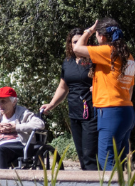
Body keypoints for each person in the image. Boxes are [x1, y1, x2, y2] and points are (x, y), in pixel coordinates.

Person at [73, 18, 135, 171]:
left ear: (101, 36)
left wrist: (89, 30)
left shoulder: (108, 51)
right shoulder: (128, 55)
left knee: (107, 160)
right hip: (126, 111)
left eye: (96, 36)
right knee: (120, 160)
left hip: (110, 113)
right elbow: (129, 88)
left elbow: (77, 49)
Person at [41, 28, 98, 171]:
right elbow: (63, 87)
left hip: (93, 112)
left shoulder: (95, 59)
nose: (77, 44)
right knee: (81, 155)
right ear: (70, 44)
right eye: (74, 42)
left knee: (89, 154)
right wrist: (52, 104)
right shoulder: (67, 62)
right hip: (74, 112)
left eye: (81, 41)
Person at [0, 87, 46, 168]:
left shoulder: (23, 113)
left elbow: (40, 124)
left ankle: (2, 179)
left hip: (19, 146)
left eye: (3, 101)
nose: (0, 105)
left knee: (0, 150)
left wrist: (16, 127)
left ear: (14, 102)